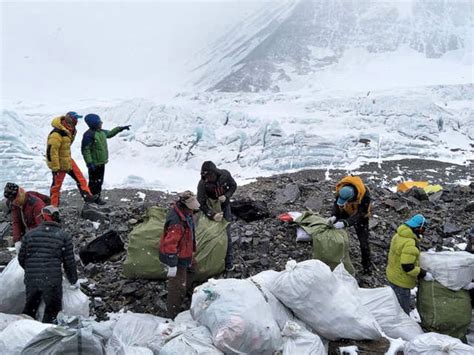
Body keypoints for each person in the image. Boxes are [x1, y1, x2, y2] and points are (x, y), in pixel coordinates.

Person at [18, 205, 79, 323]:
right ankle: (46, 335)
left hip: (32, 280)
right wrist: (73, 280)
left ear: (44, 218)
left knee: (30, 310)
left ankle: (26, 334)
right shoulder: (64, 236)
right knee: (52, 312)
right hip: (52, 281)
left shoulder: (29, 235)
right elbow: (69, 263)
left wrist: (32, 270)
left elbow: (21, 259)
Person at [159, 191, 200, 319]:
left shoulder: (186, 214)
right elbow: (170, 244)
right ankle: (172, 315)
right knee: (176, 286)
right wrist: (172, 264)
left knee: (193, 270)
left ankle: (186, 292)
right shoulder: (177, 222)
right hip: (177, 257)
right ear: (185, 205)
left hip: (185, 252)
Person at [46, 111, 96, 206]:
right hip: (59, 163)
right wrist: (55, 167)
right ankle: (53, 207)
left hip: (68, 159)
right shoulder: (57, 134)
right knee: (56, 187)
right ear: (69, 119)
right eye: (75, 118)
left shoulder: (70, 130)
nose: (76, 120)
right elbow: (51, 151)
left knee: (80, 178)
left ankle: (88, 197)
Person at [386, 214, 433, 314]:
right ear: (417, 228)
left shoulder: (398, 235)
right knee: (402, 311)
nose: (423, 232)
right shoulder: (409, 243)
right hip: (401, 281)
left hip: (392, 275)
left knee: (394, 304)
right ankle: (402, 326)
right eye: (423, 229)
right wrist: (423, 274)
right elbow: (408, 267)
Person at [81, 113, 131, 205]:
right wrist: (89, 163)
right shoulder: (89, 135)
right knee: (94, 182)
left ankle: (97, 197)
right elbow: (85, 150)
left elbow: (110, 133)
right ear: (93, 123)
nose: (101, 123)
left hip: (101, 162)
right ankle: (91, 199)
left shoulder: (101, 132)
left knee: (99, 181)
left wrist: (120, 128)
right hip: (94, 163)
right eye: (99, 122)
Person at [197, 161, 237, 271]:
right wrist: (212, 215)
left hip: (225, 207)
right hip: (211, 207)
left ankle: (228, 263)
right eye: (204, 176)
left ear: (214, 173)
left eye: (209, 176)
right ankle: (210, 263)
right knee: (210, 233)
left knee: (226, 233)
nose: (207, 179)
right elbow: (201, 203)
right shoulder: (202, 184)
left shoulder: (225, 175)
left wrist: (226, 196)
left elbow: (233, 186)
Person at [328, 175, 372, 274]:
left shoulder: (365, 195)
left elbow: (361, 213)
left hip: (361, 217)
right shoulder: (341, 190)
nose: (343, 202)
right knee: (333, 231)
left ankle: (367, 268)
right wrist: (334, 216)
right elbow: (337, 204)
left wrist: (345, 223)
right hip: (346, 211)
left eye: (346, 201)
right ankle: (335, 259)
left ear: (352, 197)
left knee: (364, 244)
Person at [3, 183, 50, 253]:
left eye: (15, 201)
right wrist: (17, 240)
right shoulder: (16, 204)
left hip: (40, 232)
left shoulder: (36, 205)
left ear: (19, 195)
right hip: (29, 230)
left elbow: (43, 227)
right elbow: (16, 222)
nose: (14, 203)